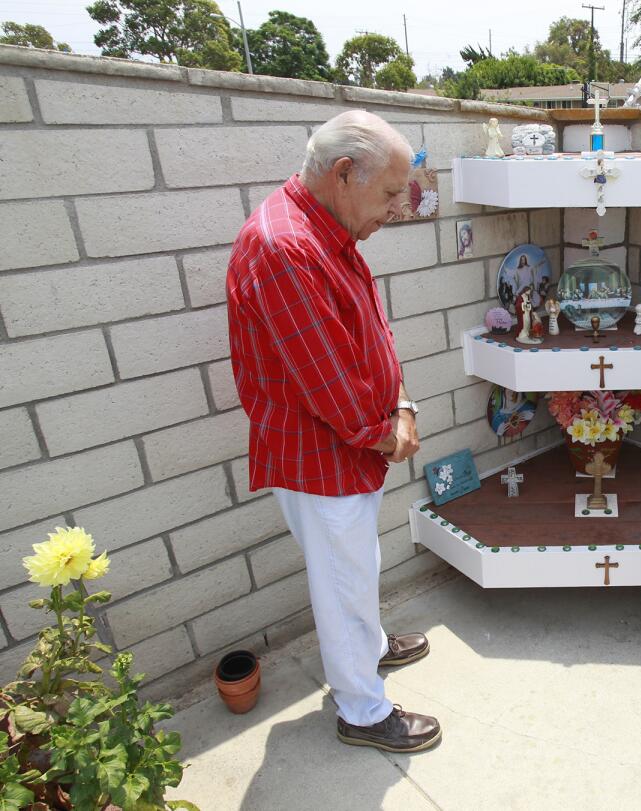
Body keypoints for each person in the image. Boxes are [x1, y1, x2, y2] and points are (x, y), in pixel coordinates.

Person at [226, 110, 442, 755]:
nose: (396, 210)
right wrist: (388, 433)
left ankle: (370, 648)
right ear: (344, 173)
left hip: (349, 447)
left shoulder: (327, 231)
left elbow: (371, 332)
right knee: (343, 581)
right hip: (322, 453)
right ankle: (362, 708)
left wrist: (399, 402)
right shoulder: (285, 245)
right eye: (386, 195)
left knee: (355, 566)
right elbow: (328, 385)